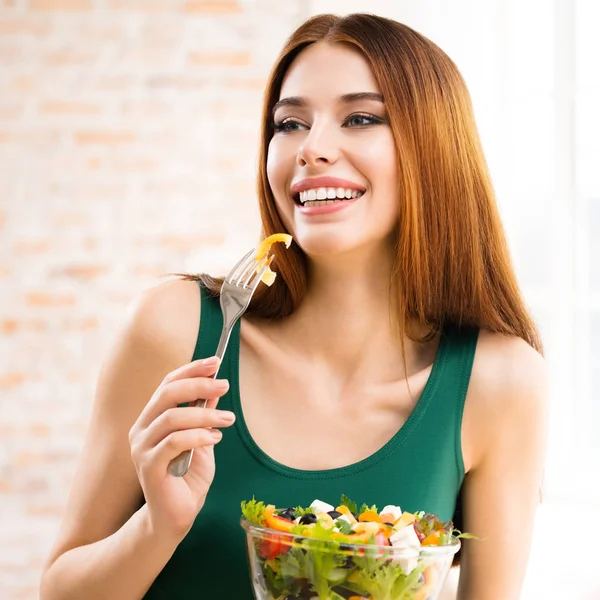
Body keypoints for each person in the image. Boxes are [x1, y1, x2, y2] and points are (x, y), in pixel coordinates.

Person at [39, 12, 548, 600]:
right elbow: (58, 590)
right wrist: (158, 526)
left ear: (436, 147)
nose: (312, 149)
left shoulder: (500, 382)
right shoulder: (179, 329)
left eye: (360, 118)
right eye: (289, 124)